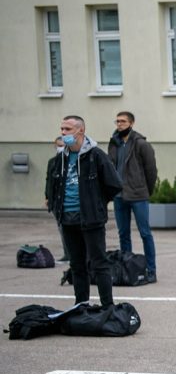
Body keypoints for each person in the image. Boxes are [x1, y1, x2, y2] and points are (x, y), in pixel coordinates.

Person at [45, 115, 122, 307]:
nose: (63, 133)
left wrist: (96, 203)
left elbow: (114, 184)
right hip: (67, 219)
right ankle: (80, 306)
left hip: (91, 220)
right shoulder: (59, 159)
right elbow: (51, 187)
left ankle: (107, 307)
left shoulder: (96, 156)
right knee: (77, 265)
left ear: (80, 130)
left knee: (99, 264)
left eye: (68, 129)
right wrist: (56, 207)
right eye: (62, 129)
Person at [107, 111, 158, 283]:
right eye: (118, 121)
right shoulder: (114, 142)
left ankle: (151, 270)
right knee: (123, 234)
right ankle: (126, 268)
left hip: (138, 194)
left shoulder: (141, 143)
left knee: (145, 233)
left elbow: (151, 170)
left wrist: (145, 190)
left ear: (132, 123)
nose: (119, 124)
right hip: (119, 195)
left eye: (123, 121)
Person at [46, 136, 70, 262]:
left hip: (68, 200)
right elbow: (49, 180)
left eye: (63, 146)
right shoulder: (52, 162)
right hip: (56, 201)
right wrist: (47, 196)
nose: (60, 148)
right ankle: (67, 254)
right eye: (58, 145)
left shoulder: (71, 161)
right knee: (62, 229)